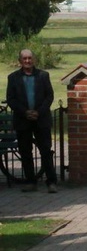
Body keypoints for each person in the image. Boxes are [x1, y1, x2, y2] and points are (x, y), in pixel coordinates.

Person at [5, 49, 57, 193]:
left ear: (34, 59)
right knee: (25, 152)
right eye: (25, 59)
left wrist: (38, 112)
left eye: (30, 58)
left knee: (46, 151)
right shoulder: (13, 77)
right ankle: (30, 181)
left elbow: (49, 96)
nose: (27, 61)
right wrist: (25, 112)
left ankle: (51, 182)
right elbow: (11, 99)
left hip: (42, 120)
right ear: (20, 61)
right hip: (23, 120)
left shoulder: (43, 76)